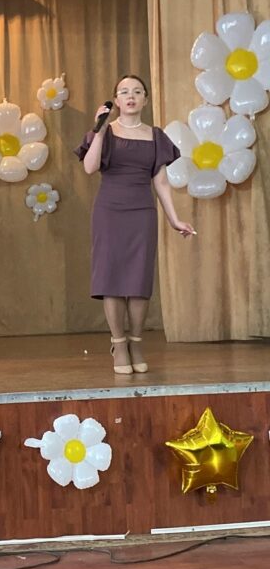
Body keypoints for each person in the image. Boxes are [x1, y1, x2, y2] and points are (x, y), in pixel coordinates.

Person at [76, 74, 195, 375]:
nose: (131, 96)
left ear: (145, 99)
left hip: (142, 213)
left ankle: (136, 343)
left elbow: (162, 183)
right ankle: (118, 344)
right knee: (112, 280)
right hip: (109, 212)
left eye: (137, 92)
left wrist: (174, 219)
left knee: (138, 282)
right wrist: (99, 130)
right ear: (116, 100)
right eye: (124, 92)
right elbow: (90, 167)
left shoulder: (156, 136)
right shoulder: (105, 132)